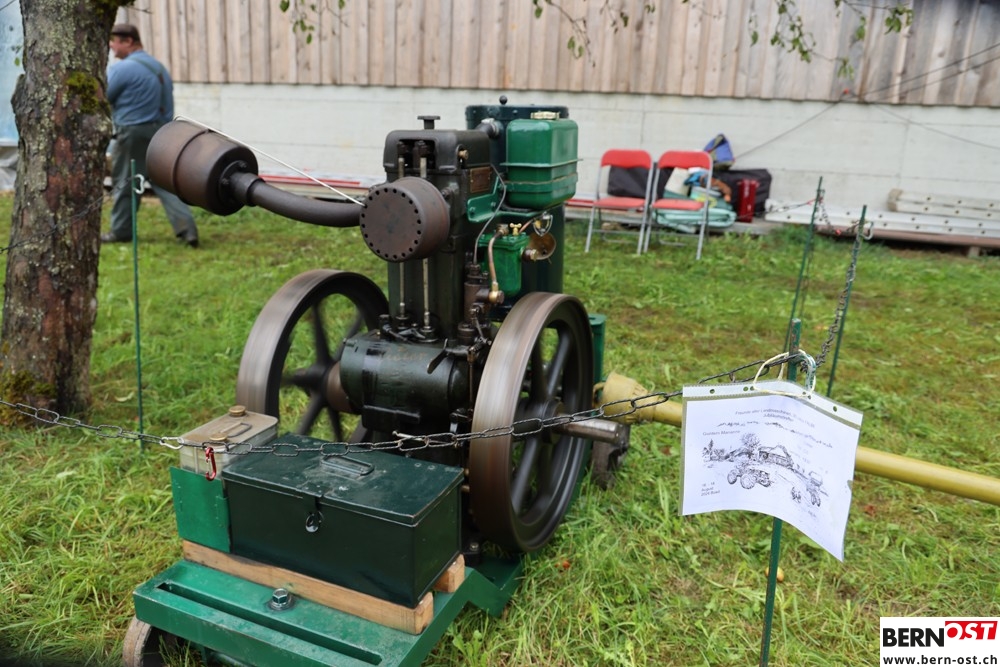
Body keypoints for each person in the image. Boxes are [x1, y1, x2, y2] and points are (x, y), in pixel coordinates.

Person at [103, 23, 198, 247]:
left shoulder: (122, 69)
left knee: (126, 181)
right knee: (164, 182)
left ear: (128, 41)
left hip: (133, 134)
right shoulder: (159, 67)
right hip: (162, 133)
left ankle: (121, 230)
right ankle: (187, 230)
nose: (111, 46)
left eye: (114, 41)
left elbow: (103, 98)